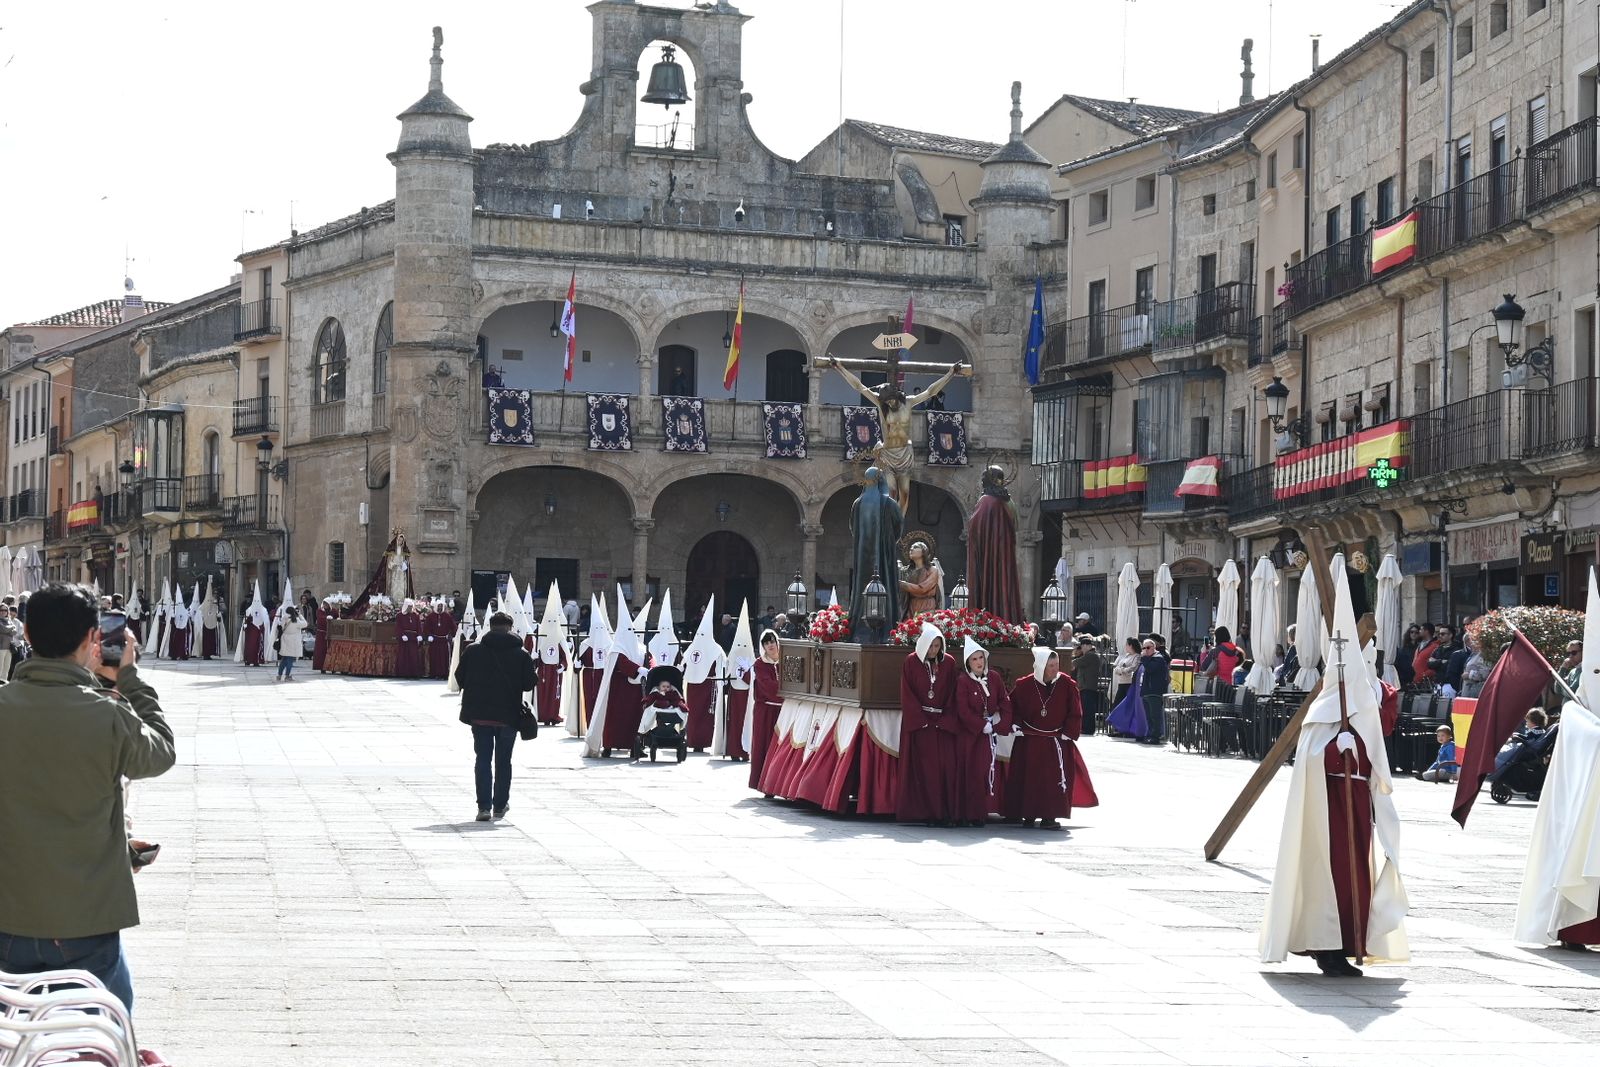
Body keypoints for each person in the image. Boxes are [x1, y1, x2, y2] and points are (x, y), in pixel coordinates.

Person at [0, 582, 174, 1013]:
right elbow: (160, 753)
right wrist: (128, 679)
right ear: (93, 638)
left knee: (16, 1041)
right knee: (100, 1037)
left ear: (25, 631)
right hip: (85, 919)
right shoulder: (107, 714)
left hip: (7, 915)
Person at [1261, 576, 1408, 978]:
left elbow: (1378, 747)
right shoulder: (1326, 706)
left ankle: (1353, 942)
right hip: (1328, 810)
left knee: (1358, 872)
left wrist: (1358, 750)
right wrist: (1332, 749)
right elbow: (1309, 758)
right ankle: (1327, 946)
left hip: (1358, 803)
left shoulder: (1364, 703)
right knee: (1334, 875)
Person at [454, 611, 537, 821]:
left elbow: (459, 678)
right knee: (503, 761)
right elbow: (529, 683)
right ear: (510, 628)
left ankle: (483, 807)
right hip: (508, 717)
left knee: (482, 759)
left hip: (480, 715)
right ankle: (500, 806)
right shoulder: (521, 654)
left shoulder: (472, 651)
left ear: (490, 627)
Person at [1006, 647, 1098, 829]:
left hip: (1056, 740)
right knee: (1029, 778)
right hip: (1030, 740)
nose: (1055, 669)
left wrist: (1069, 731)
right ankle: (1028, 814)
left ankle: (1050, 816)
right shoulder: (1024, 684)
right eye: (1050, 666)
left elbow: (1075, 710)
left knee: (1053, 780)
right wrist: (1015, 724)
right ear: (1040, 666)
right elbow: (1012, 707)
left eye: (1056, 665)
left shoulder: (1067, 684)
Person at [896, 621, 959, 826]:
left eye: (937, 646)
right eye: (930, 646)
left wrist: (945, 719)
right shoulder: (911, 662)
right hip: (921, 725)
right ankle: (927, 813)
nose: (933, 650)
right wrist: (920, 720)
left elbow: (952, 693)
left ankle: (944, 813)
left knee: (943, 770)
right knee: (923, 771)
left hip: (941, 724)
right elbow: (907, 692)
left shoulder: (948, 663)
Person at [951, 637, 1013, 827]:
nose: (979, 662)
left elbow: (1004, 701)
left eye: (981, 658)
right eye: (974, 659)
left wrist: (1002, 723)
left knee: (984, 771)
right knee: (970, 772)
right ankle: (966, 814)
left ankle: (979, 813)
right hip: (970, 735)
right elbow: (962, 710)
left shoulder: (993, 677)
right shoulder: (963, 681)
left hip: (988, 734)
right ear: (968, 663)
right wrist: (980, 725)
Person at [965, 465, 1022, 622]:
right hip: (1005, 553)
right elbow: (1015, 525)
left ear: (989, 481)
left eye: (983, 479)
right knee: (1003, 583)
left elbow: (975, 526)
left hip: (988, 553)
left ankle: (987, 619)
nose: (982, 482)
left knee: (988, 584)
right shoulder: (1009, 502)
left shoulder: (985, 501)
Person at [682, 602, 724, 752]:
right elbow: (683, 663)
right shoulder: (694, 646)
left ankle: (703, 741)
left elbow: (722, 665)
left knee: (705, 716)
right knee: (694, 714)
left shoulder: (715, 648)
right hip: (694, 687)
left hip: (708, 687)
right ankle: (693, 741)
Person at [747, 630, 783, 791]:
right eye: (766, 643)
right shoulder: (760, 664)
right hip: (766, 711)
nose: (770, 645)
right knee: (764, 745)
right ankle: (763, 783)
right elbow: (767, 686)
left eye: (772, 641)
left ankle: (779, 783)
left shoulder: (786, 660)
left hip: (784, 711)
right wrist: (788, 691)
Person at [1139, 635, 1172, 745]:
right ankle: (1150, 734)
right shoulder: (1148, 659)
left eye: (1148, 648)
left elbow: (1151, 669)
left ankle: (1155, 736)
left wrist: (1144, 658)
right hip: (1146, 691)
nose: (1145, 650)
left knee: (1155, 715)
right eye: (1144, 648)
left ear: (1154, 648)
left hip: (1155, 691)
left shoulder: (1158, 658)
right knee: (1148, 716)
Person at [899, 539, 941, 620]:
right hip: (910, 606)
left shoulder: (932, 571)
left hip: (926, 606)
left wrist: (901, 584)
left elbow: (922, 589)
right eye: (911, 547)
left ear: (923, 552)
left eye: (915, 547)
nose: (911, 549)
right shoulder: (907, 571)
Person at [1072, 636, 1104, 736]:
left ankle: (1088, 728)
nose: (1081, 649)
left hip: (1088, 686)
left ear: (1086, 646)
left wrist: (1074, 655)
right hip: (1085, 686)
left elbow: (1076, 662)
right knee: (1086, 708)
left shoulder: (1091, 655)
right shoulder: (1089, 655)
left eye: (1081, 646)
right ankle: (1086, 727)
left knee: (1088, 709)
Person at [1200, 625, 1245, 691]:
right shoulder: (1239, 651)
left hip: (1218, 688)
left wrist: (1203, 653)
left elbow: (1204, 667)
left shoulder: (1215, 651)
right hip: (1235, 687)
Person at [426, 601, 458, 681]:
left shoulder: (447, 616)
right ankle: (434, 673)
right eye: (438, 606)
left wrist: (454, 636)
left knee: (444, 658)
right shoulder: (431, 616)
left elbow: (453, 627)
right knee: (434, 657)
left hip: (444, 640)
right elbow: (426, 627)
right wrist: (429, 635)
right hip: (435, 640)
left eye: (441, 606)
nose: (440, 608)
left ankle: (444, 673)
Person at [275, 606, 307, 681]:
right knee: (290, 659)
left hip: (285, 640)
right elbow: (305, 623)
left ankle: (279, 675)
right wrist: (300, 615)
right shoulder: (296, 620)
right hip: (293, 641)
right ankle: (287, 676)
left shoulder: (283, 619)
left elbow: (280, 626)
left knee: (284, 658)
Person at [395, 599, 426, 679]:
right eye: (409, 607)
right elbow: (398, 627)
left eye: (411, 607)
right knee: (404, 656)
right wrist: (402, 635)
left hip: (413, 639)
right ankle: (404, 673)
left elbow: (419, 626)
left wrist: (419, 635)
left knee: (413, 656)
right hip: (404, 639)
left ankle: (414, 673)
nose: (410, 608)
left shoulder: (416, 615)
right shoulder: (399, 615)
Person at [1111, 637, 1139, 708]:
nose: (1125, 646)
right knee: (1117, 703)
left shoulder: (1137, 656)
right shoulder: (1126, 656)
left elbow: (1133, 668)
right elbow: (1116, 667)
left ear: (1131, 646)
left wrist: (1121, 670)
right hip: (1121, 682)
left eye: (1126, 644)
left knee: (1125, 704)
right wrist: (1122, 670)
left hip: (1129, 683)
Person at [0, 600, 22, 680]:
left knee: (6, 669)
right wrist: (10, 629)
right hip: (1, 648)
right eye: (1, 610)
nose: (3, 612)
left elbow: (15, 631)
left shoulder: (9, 621)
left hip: (9, 648)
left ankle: (3, 687)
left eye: (5, 610)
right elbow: (3, 629)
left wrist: (9, 630)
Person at [1396, 625, 1419, 689]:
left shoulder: (1420, 646)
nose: (1414, 634)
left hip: (1417, 675)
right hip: (1405, 676)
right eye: (1412, 632)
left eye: (1416, 632)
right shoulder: (1404, 648)